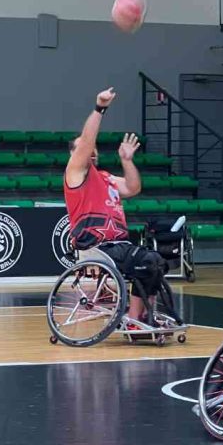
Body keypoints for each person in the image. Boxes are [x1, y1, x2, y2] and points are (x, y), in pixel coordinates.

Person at [64, 87, 167, 325]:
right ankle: (133, 320)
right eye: (86, 149)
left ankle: (143, 316)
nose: (92, 151)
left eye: (94, 150)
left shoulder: (107, 177)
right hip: (95, 245)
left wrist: (127, 161)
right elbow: (88, 140)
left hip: (119, 245)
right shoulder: (76, 175)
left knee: (156, 263)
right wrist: (100, 108)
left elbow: (133, 188)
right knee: (146, 260)